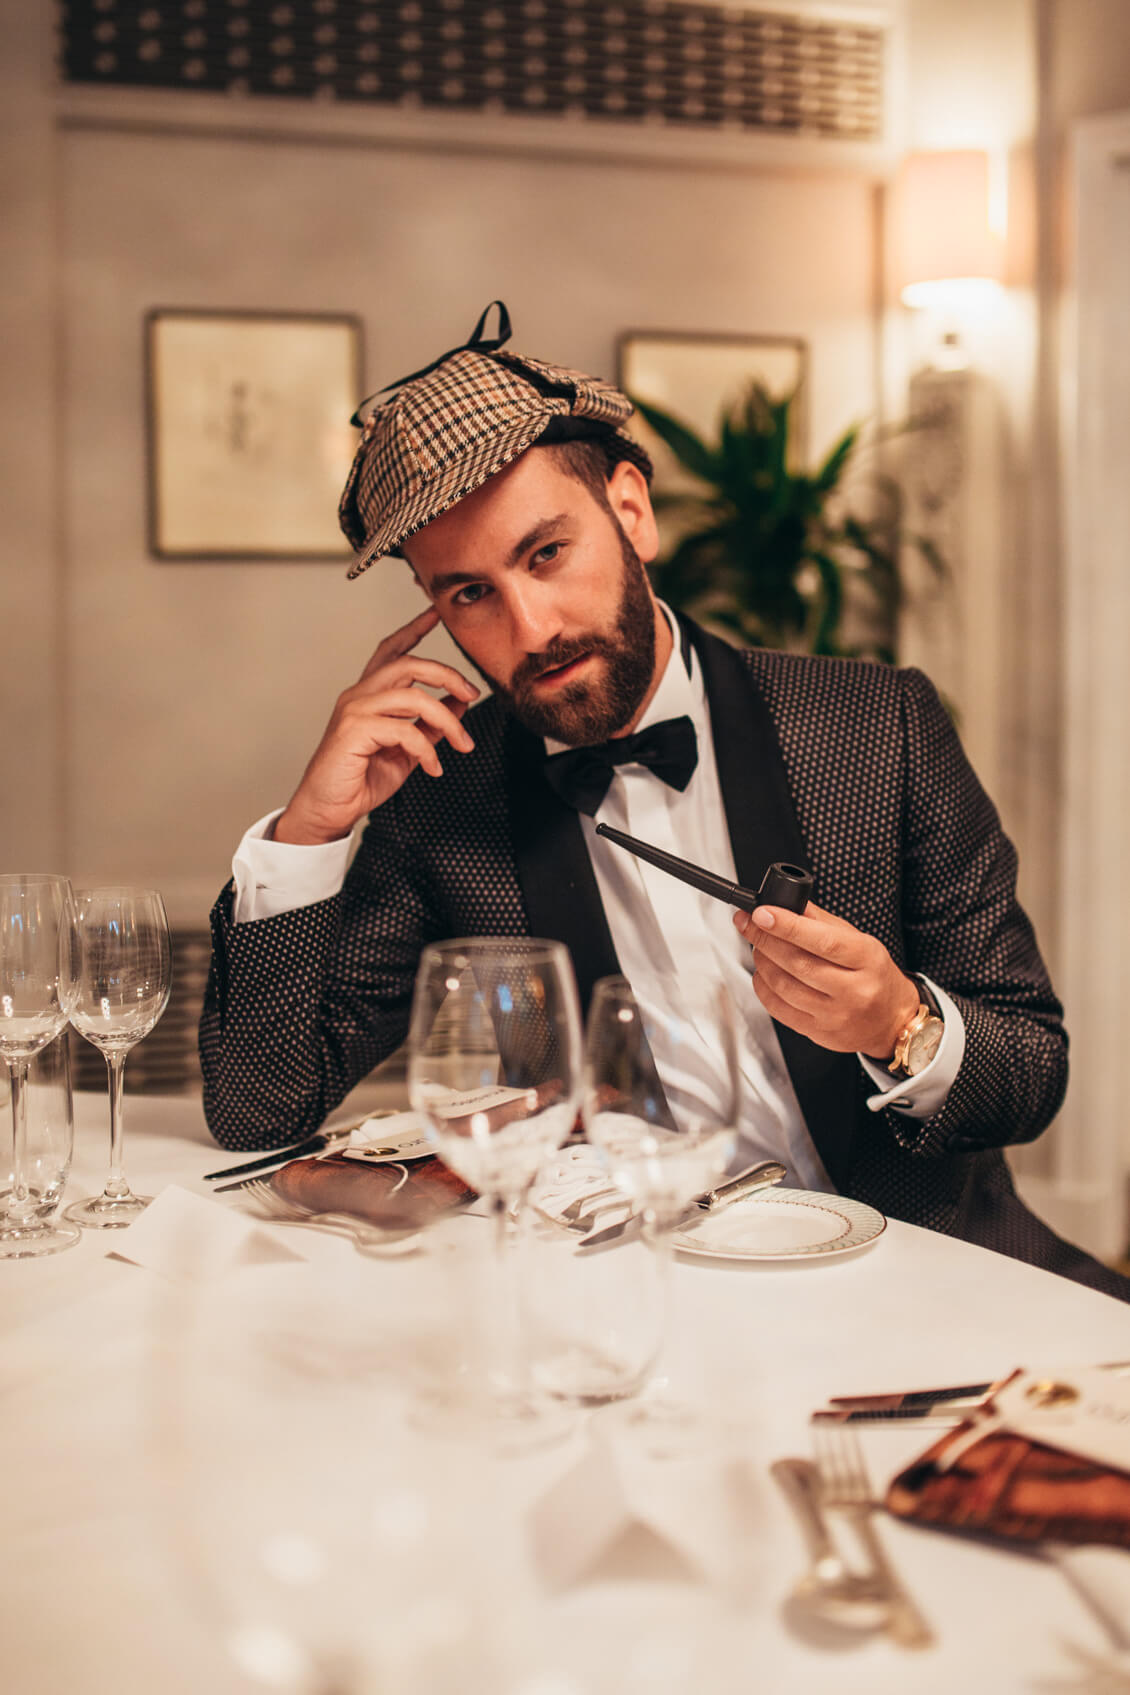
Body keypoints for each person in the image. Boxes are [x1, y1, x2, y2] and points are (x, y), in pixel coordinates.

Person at [200, 302, 1129, 1302]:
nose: (531, 628)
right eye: (469, 593)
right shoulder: (444, 797)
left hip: (922, 1277)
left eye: (545, 554)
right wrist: (310, 830)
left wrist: (898, 1024)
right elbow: (260, 1108)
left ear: (631, 512)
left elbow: (1030, 1072)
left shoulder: (874, 727)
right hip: (628, 1295)